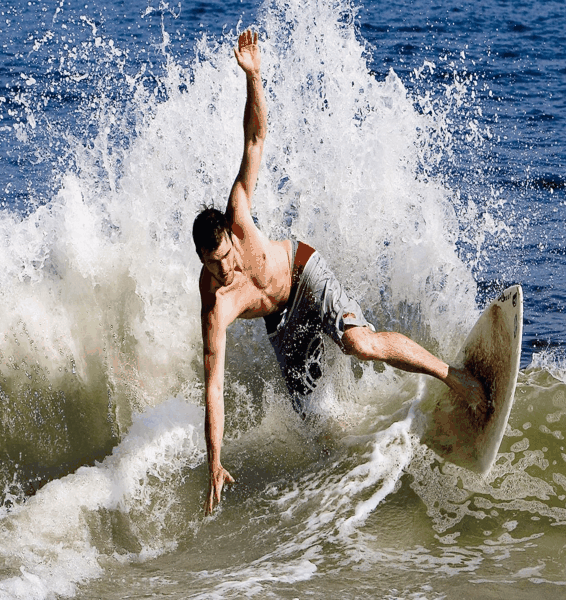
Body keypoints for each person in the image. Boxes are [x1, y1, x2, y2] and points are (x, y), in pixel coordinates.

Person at [193, 30, 486, 515]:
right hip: (280, 324)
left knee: (359, 343)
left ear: (228, 234)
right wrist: (215, 462)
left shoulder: (239, 212)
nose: (227, 268)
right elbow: (214, 386)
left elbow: (255, 138)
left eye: (226, 256)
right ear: (202, 263)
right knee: (314, 423)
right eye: (214, 265)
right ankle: (367, 477)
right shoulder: (215, 305)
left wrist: (254, 78)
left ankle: (455, 378)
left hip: (305, 274)